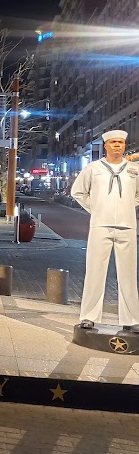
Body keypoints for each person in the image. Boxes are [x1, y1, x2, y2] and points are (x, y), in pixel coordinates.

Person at [71, 129, 139, 333]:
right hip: (100, 225)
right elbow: (78, 192)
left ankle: (132, 318)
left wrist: (128, 206)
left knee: (128, 274)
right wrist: (96, 207)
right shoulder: (94, 168)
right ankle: (89, 317)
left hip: (127, 225)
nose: (118, 145)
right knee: (94, 271)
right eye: (113, 142)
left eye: (121, 142)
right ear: (106, 145)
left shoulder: (134, 169)